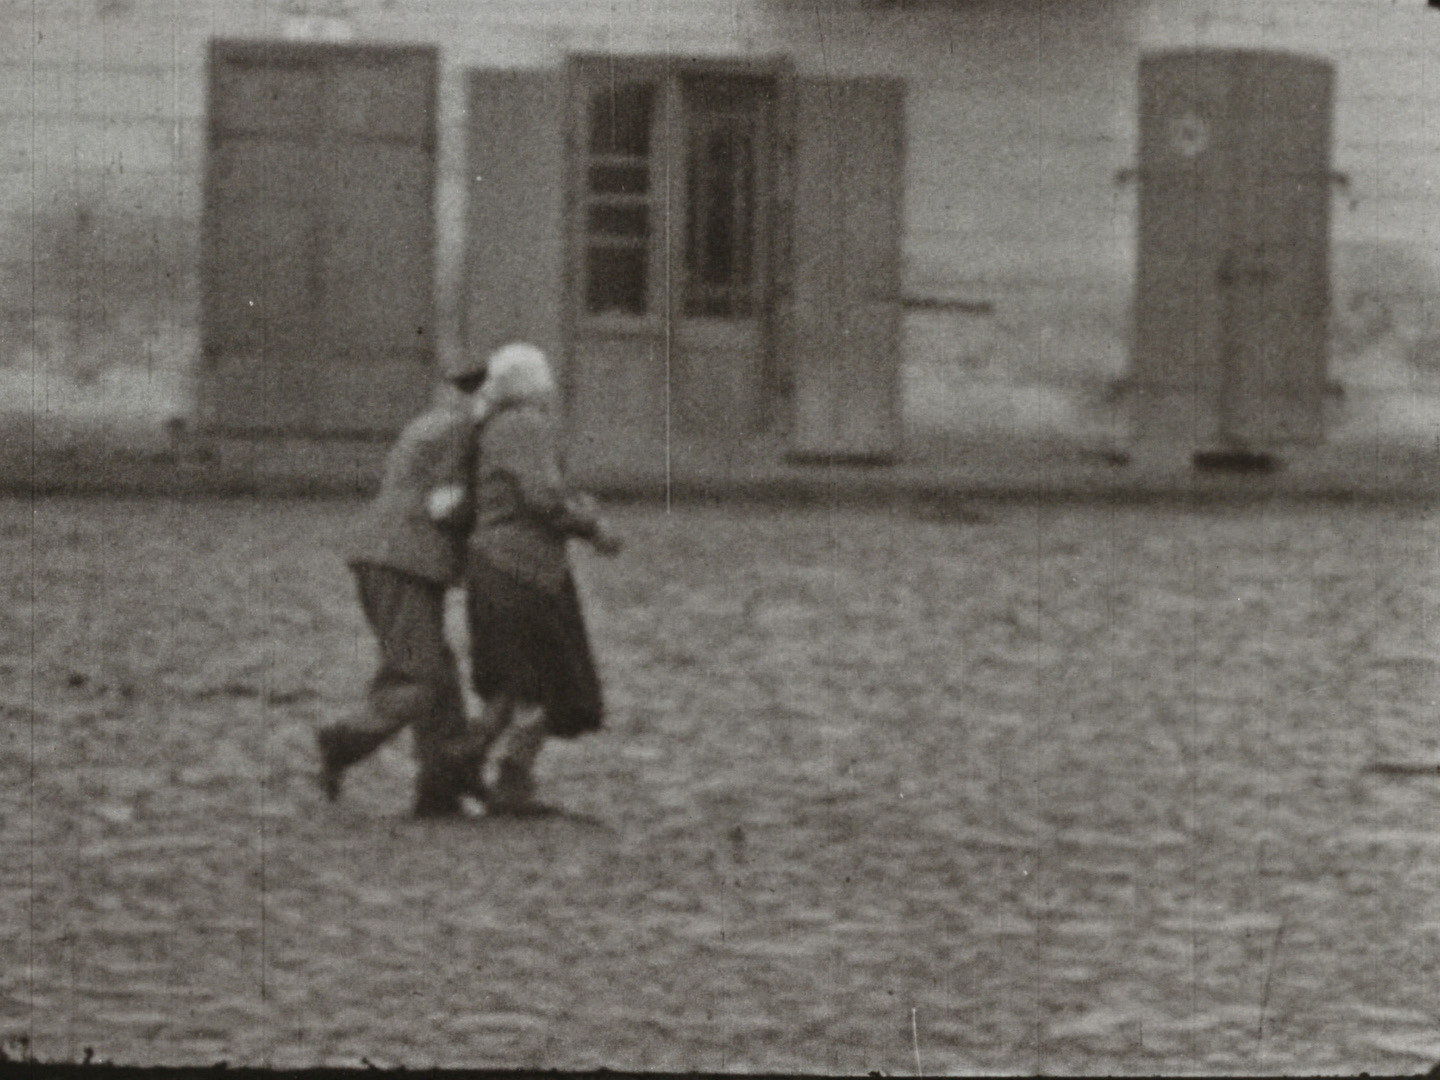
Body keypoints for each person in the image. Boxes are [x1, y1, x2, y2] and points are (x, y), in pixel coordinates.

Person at [315, 355, 490, 818]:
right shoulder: (462, 432)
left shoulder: (431, 423)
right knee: (419, 676)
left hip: (388, 554)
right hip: (403, 559)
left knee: (439, 674)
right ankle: (345, 740)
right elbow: (446, 504)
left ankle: (441, 785)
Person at [455, 343, 621, 815]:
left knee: (511, 680)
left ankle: (460, 761)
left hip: (494, 567)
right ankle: (510, 778)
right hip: (525, 572)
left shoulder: (492, 426)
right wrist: (593, 527)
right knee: (546, 680)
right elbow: (543, 497)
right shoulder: (526, 426)